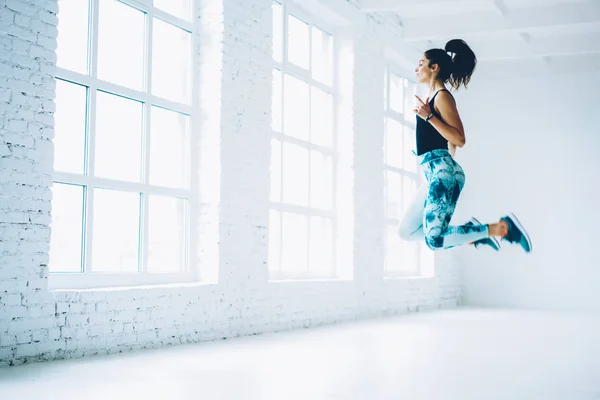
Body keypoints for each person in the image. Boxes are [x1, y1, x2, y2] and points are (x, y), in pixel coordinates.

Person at [397, 39, 532, 253]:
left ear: (435, 67)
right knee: (405, 231)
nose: (416, 68)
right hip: (437, 172)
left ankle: (499, 228)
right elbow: (450, 142)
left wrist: (429, 117)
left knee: (435, 240)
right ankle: (471, 231)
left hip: (441, 172)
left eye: (421, 63)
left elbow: (459, 138)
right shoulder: (431, 98)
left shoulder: (442, 97)